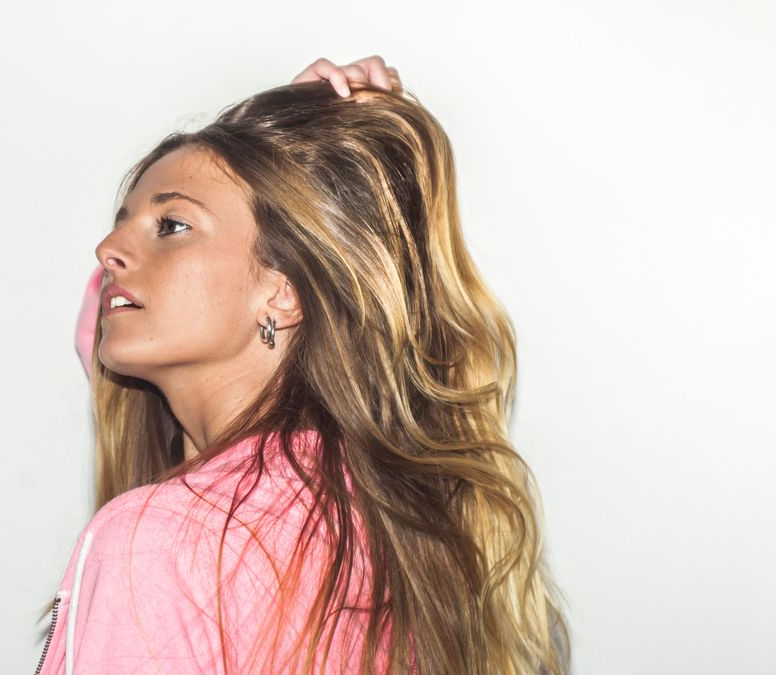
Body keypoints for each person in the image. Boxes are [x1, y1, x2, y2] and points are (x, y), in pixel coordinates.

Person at [35, 54, 570, 675]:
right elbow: (105, 321)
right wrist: (281, 150)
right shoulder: (396, 521)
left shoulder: (158, 542)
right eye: (120, 223)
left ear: (283, 292)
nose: (107, 251)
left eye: (173, 224)